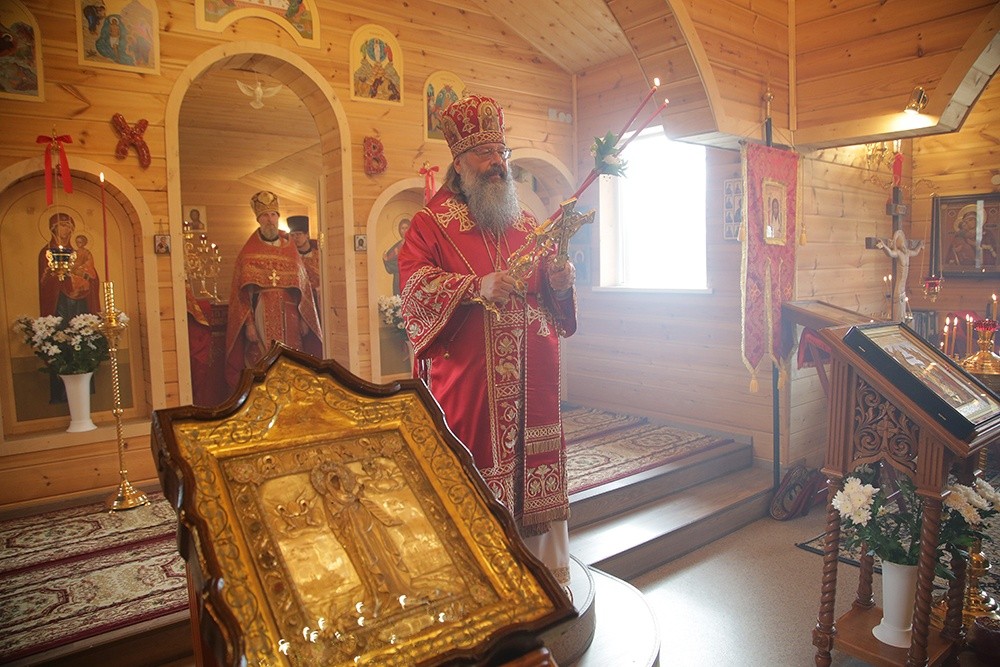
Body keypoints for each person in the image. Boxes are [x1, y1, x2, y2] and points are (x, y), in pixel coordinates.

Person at [397, 94, 577, 591]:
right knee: (473, 479)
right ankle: (481, 585)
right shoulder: (430, 224)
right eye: (485, 154)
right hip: (471, 390)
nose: (498, 162)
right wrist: (476, 286)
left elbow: (548, 293)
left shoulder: (524, 222)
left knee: (534, 477)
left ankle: (546, 580)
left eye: (502, 152)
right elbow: (413, 290)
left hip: (533, 390)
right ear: (459, 163)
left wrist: (560, 281)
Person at [224, 191, 322, 390]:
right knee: (265, 357)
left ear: (278, 217)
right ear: (258, 219)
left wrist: (305, 319)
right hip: (263, 310)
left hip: (291, 312)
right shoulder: (249, 251)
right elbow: (242, 294)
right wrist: (249, 325)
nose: (270, 220)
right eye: (265, 216)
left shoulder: (290, 248)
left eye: (273, 215)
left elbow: (302, 288)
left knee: (294, 357)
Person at [38, 213, 101, 402]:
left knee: (82, 343)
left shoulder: (79, 253)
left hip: (80, 305)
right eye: (62, 225)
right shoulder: (46, 253)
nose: (66, 229)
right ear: (53, 229)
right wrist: (60, 276)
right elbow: (45, 283)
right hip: (58, 305)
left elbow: (93, 279)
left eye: (68, 226)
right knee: (61, 343)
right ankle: (61, 393)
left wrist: (84, 277)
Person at [877, 229, 923, 322]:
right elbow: (890, 253)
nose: (904, 245)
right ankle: (898, 322)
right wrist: (883, 246)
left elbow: (916, 252)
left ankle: (901, 323)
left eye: (904, 243)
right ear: (898, 245)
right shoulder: (898, 253)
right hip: (898, 287)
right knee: (898, 309)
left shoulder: (907, 253)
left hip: (903, 287)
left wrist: (920, 245)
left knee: (903, 311)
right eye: (901, 244)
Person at [287, 214, 320, 316]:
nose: (295, 238)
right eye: (292, 235)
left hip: (319, 301)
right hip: (298, 302)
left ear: (307, 235)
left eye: (298, 234)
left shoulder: (319, 255)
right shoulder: (290, 258)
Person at [381, 217, 410, 296]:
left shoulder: (412, 244)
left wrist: (398, 256)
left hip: (408, 277)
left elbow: (410, 261)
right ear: (399, 230)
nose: (404, 230)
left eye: (406, 228)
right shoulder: (398, 245)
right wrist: (386, 260)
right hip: (397, 279)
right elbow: (391, 263)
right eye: (402, 228)